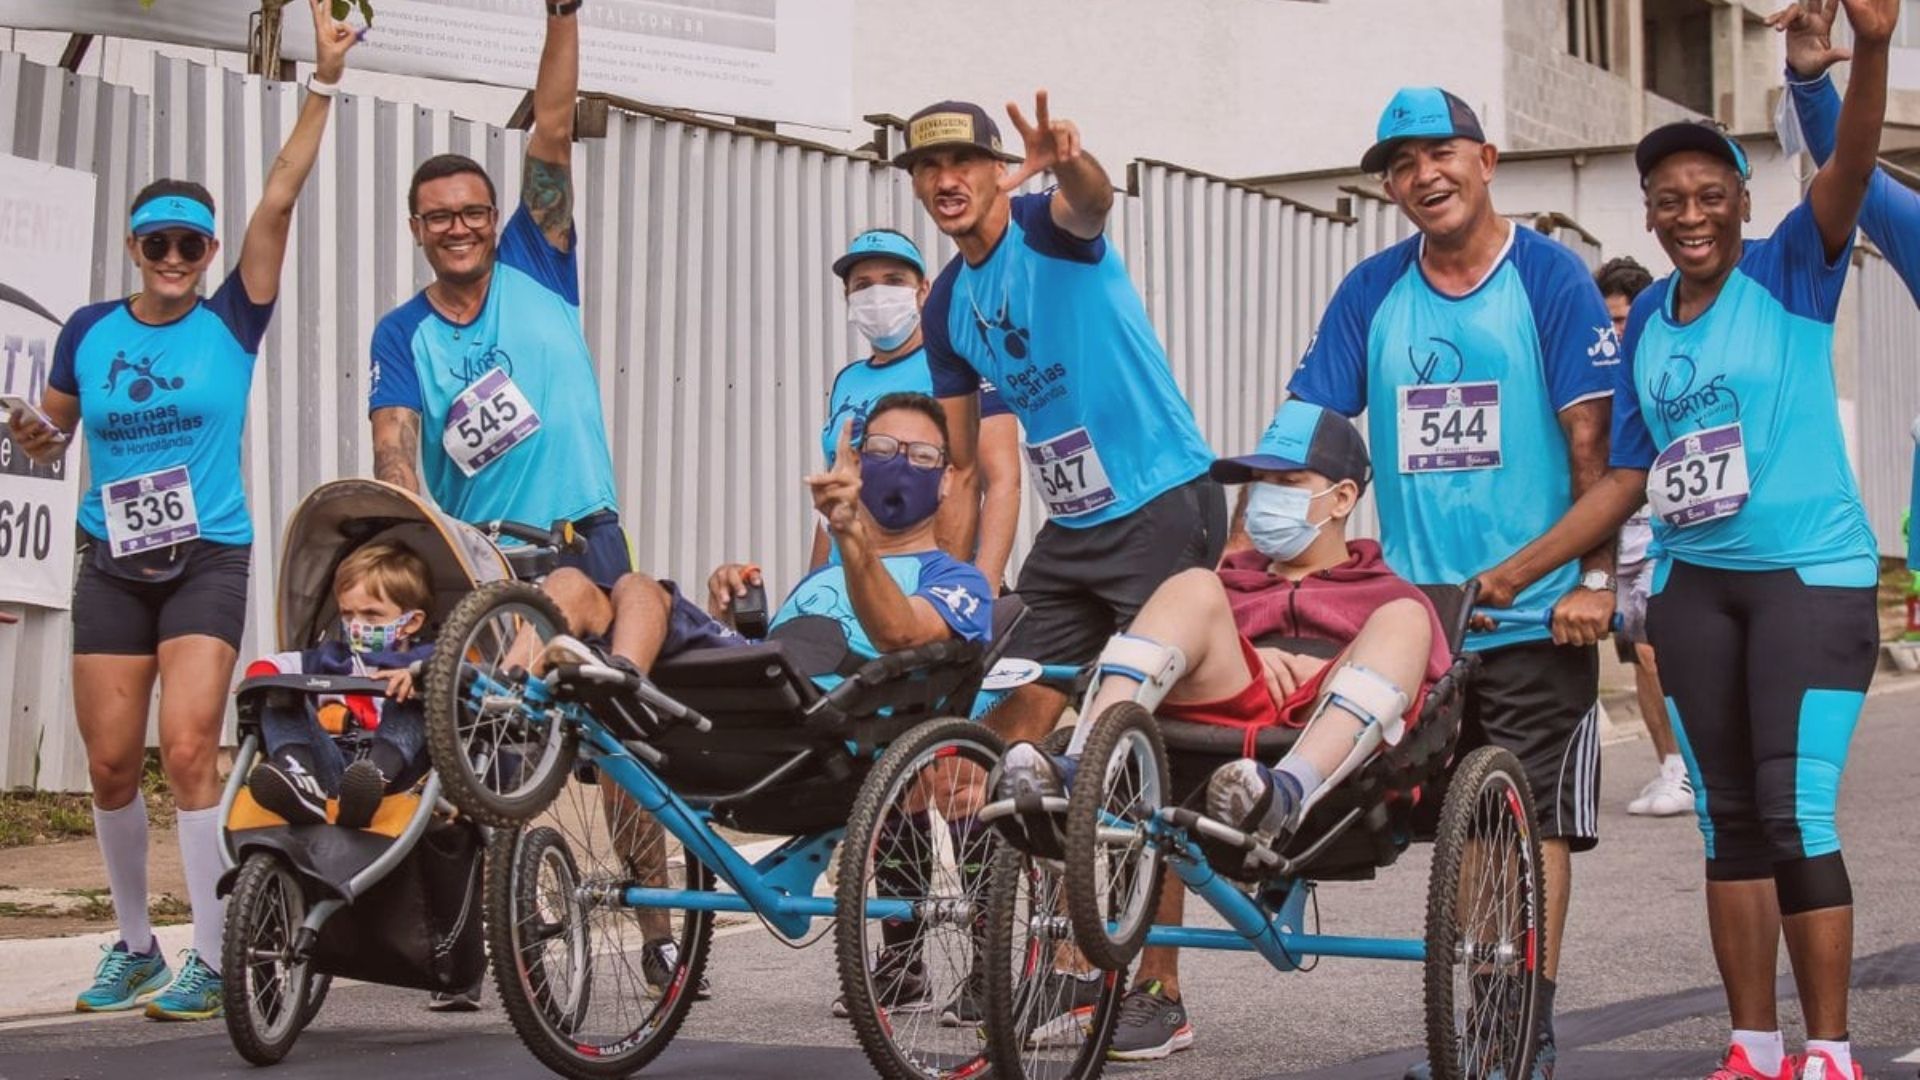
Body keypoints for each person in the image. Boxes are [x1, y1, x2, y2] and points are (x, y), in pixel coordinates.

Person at [1476, 3, 1899, 1075]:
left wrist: (1873, 51)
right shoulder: (1647, 321)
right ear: (1652, 216)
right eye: (1671, 202)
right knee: (1729, 824)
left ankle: (1831, 1051)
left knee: (1798, 811)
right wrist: (1520, 568)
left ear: (1744, 202)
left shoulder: (1794, 263)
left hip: (1810, 580)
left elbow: (1850, 161)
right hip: (1697, 589)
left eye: (1712, 195)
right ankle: (1754, 1044)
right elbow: (1630, 473)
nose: (1692, 214)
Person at [3, 0, 358, 1022]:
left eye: (191, 245)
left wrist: (323, 79)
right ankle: (133, 946)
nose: (175, 258)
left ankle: (214, 954)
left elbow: (280, 201)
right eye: (160, 241)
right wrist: (40, 437)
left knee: (191, 748)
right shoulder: (86, 331)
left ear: (208, 254)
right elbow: (58, 432)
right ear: (133, 244)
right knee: (111, 764)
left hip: (206, 552)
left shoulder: (233, 318)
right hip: (111, 557)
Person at [1284, 87, 1621, 1079]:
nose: (1422, 175)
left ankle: (1524, 1022)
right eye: (1400, 164)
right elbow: (1308, 427)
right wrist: (1271, 531)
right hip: (1415, 619)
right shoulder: (1375, 288)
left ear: (1487, 159)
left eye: (1440, 153)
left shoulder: (1551, 279)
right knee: (1464, 837)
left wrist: (1588, 577)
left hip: (1531, 610)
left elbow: (1592, 446)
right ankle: (1485, 1014)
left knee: (1534, 822)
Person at [897, 94, 1226, 1054]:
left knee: (1142, 740)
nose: (947, 181)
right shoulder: (946, 305)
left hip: (1163, 500)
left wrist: (1070, 162)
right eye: (928, 170)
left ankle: (1155, 986)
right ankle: (1060, 958)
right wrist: (949, 585)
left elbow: (1091, 200)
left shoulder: (1046, 221)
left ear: (1002, 170)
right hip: (1073, 532)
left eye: (965, 162)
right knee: (1015, 737)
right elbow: (964, 465)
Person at [998, 400, 1450, 1059]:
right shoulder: (1223, 587)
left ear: (1341, 496)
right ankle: (1080, 773)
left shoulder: (1382, 590)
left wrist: (1321, 667)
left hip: (1328, 745)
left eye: (1286, 484)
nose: (1264, 499)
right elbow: (1180, 641)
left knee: (1408, 617)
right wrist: (1245, 643)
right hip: (1217, 727)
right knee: (1187, 588)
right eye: (1258, 484)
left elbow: (1420, 690)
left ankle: (1285, 792)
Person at [545, 393, 995, 1018]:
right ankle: (577, 687)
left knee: (964, 774)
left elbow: (902, 635)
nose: (901, 465)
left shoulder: (958, 581)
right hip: (746, 733)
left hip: (840, 746)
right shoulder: (814, 583)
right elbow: (785, 657)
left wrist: (850, 532)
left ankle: (955, 958)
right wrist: (730, 620)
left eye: (921, 456)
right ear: (858, 464)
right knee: (620, 586)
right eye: (884, 451)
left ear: (947, 479)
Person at [365, 0, 641, 1010]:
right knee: (482, 747)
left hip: (586, 539)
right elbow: (395, 458)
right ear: (418, 230)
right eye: (439, 216)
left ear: (498, 217)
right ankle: (487, 939)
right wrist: (424, 550)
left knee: (620, 745)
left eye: (473, 211)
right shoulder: (403, 335)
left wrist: (561, 20)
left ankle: (656, 929)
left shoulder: (540, 259)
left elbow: (554, 126)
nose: (460, 227)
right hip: (483, 564)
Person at [815, 228, 1023, 587]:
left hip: (924, 583)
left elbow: (1002, 482)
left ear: (922, 291)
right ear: (847, 296)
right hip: (850, 585)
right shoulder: (847, 381)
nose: (877, 295)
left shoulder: (962, 367)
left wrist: (980, 588)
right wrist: (814, 587)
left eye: (894, 281)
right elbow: (833, 499)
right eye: (862, 285)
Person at [244, 542, 436, 829]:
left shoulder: (429, 657)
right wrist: (259, 678)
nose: (357, 625)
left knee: (419, 696)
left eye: (371, 615)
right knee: (276, 691)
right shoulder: (330, 659)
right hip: (333, 765)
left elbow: (467, 671)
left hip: (400, 775)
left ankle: (374, 778)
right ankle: (300, 778)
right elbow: (273, 665)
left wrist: (423, 677)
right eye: (348, 615)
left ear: (411, 622)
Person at [1596, 256, 1693, 818]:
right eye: (1608, 321)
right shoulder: (1587, 374)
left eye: (1626, 320)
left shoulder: (1666, 365)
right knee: (1640, 659)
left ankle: (1688, 769)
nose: (1617, 332)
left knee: (1659, 653)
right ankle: (1674, 768)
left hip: (1664, 533)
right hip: (1614, 540)